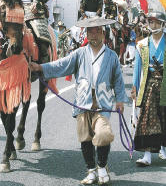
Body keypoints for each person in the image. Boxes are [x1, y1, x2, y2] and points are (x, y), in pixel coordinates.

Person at [30, 16, 128, 185]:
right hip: (82, 102)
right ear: (86, 34)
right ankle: (91, 171)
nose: (94, 35)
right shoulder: (80, 53)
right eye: (91, 31)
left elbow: (118, 80)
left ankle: (102, 167)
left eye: (97, 31)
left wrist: (120, 100)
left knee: (103, 134)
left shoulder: (111, 56)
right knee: (85, 138)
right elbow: (62, 65)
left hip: (102, 104)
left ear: (103, 34)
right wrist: (40, 67)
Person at [131, 11, 166, 166]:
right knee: (147, 119)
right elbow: (137, 70)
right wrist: (134, 88)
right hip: (150, 86)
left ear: (163, 24)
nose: (154, 25)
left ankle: (164, 149)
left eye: (157, 22)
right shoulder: (142, 44)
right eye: (151, 22)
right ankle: (147, 155)